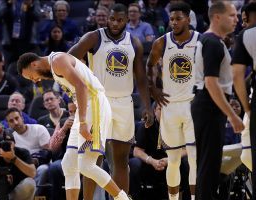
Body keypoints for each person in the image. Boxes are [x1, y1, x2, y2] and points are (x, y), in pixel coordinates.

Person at [17, 51, 131, 200]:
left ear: (34, 64)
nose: (35, 80)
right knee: (68, 164)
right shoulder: (55, 64)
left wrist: (83, 122)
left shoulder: (57, 61)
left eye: (31, 76)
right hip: (84, 109)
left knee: (86, 165)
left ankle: (123, 198)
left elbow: (82, 87)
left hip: (95, 106)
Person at [68, 3, 154, 194]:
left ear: (127, 20)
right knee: (92, 160)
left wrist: (147, 106)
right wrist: (76, 91)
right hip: (98, 102)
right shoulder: (93, 37)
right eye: (112, 19)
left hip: (124, 102)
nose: (115, 23)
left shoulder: (134, 42)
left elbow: (140, 77)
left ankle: (121, 198)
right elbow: (68, 59)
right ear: (107, 18)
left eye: (120, 20)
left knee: (121, 160)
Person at [192, 2, 244, 199]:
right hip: (208, 105)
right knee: (209, 166)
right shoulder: (212, 43)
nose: (236, 19)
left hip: (207, 104)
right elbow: (211, 83)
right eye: (232, 15)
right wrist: (233, 116)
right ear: (217, 17)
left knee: (209, 165)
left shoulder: (211, 40)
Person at [146, 2, 198, 200]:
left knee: (194, 158)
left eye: (178, 18)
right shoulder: (161, 42)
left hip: (192, 104)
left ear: (188, 19)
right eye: (171, 19)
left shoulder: (200, 41)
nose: (174, 23)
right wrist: (153, 89)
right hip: (169, 106)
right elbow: (149, 65)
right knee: (174, 159)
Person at [232, 4, 256, 199]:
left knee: (248, 157)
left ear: (247, 16)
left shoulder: (247, 35)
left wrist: (247, 108)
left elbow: (237, 76)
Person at [5, 107, 51, 197]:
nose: (15, 122)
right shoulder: (11, 139)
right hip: (23, 167)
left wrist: (32, 160)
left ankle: (34, 196)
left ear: (22, 117)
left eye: (17, 118)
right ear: (8, 124)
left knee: (43, 170)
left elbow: (48, 153)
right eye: (11, 121)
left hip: (40, 164)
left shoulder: (39, 129)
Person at [0, 130, 36, 200]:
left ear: (14, 143)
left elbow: (33, 173)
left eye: (9, 143)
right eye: (3, 143)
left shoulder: (22, 152)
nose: (6, 146)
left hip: (16, 193)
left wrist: (14, 158)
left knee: (30, 183)